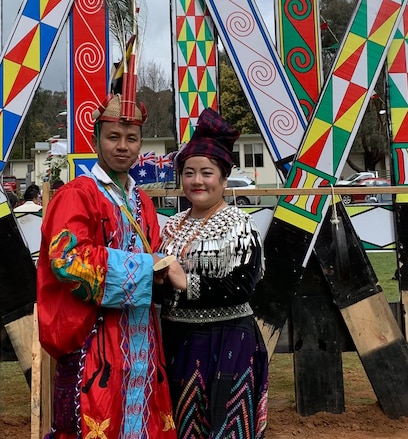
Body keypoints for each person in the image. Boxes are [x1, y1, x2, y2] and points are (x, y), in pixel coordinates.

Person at [37, 93, 185, 439]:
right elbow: (67, 261)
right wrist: (148, 267)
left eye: (131, 138)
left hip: (143, 346)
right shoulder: (77, 194)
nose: (123, 147)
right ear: (95, 140)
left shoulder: (144, 203)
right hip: (94, 345)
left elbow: (156, 258)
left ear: (141, 143)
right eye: (113, 137)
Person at [159, 108, 268, 439]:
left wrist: (185, 281)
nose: (196, 181)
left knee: (227, 426)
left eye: (206, 173)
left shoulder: (238, 225)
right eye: (189, 172)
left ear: (223, 178)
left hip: (228, 340)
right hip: (178, 341)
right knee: (182, 426)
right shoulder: (172, 227)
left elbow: (242, 286)